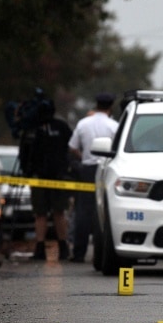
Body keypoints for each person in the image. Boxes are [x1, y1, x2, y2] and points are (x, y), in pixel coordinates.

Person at [68, 93, 119, 262]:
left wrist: (83, 155)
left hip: (87, 169)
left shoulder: (83, 124)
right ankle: (104, 252)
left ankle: (79, 253)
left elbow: (72, 146)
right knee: (105, 211)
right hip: (106, 169)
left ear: (96, 104)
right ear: (111, 107)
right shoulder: (114, 126)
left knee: (83, 211)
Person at [28, 99, 73, 261]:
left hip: (46, 178)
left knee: (48, 214)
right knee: (55, 213)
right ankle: (58, 248)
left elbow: (26, 154)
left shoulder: (34, 128)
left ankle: (51, 248)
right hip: (53, 178)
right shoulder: (59, 127)